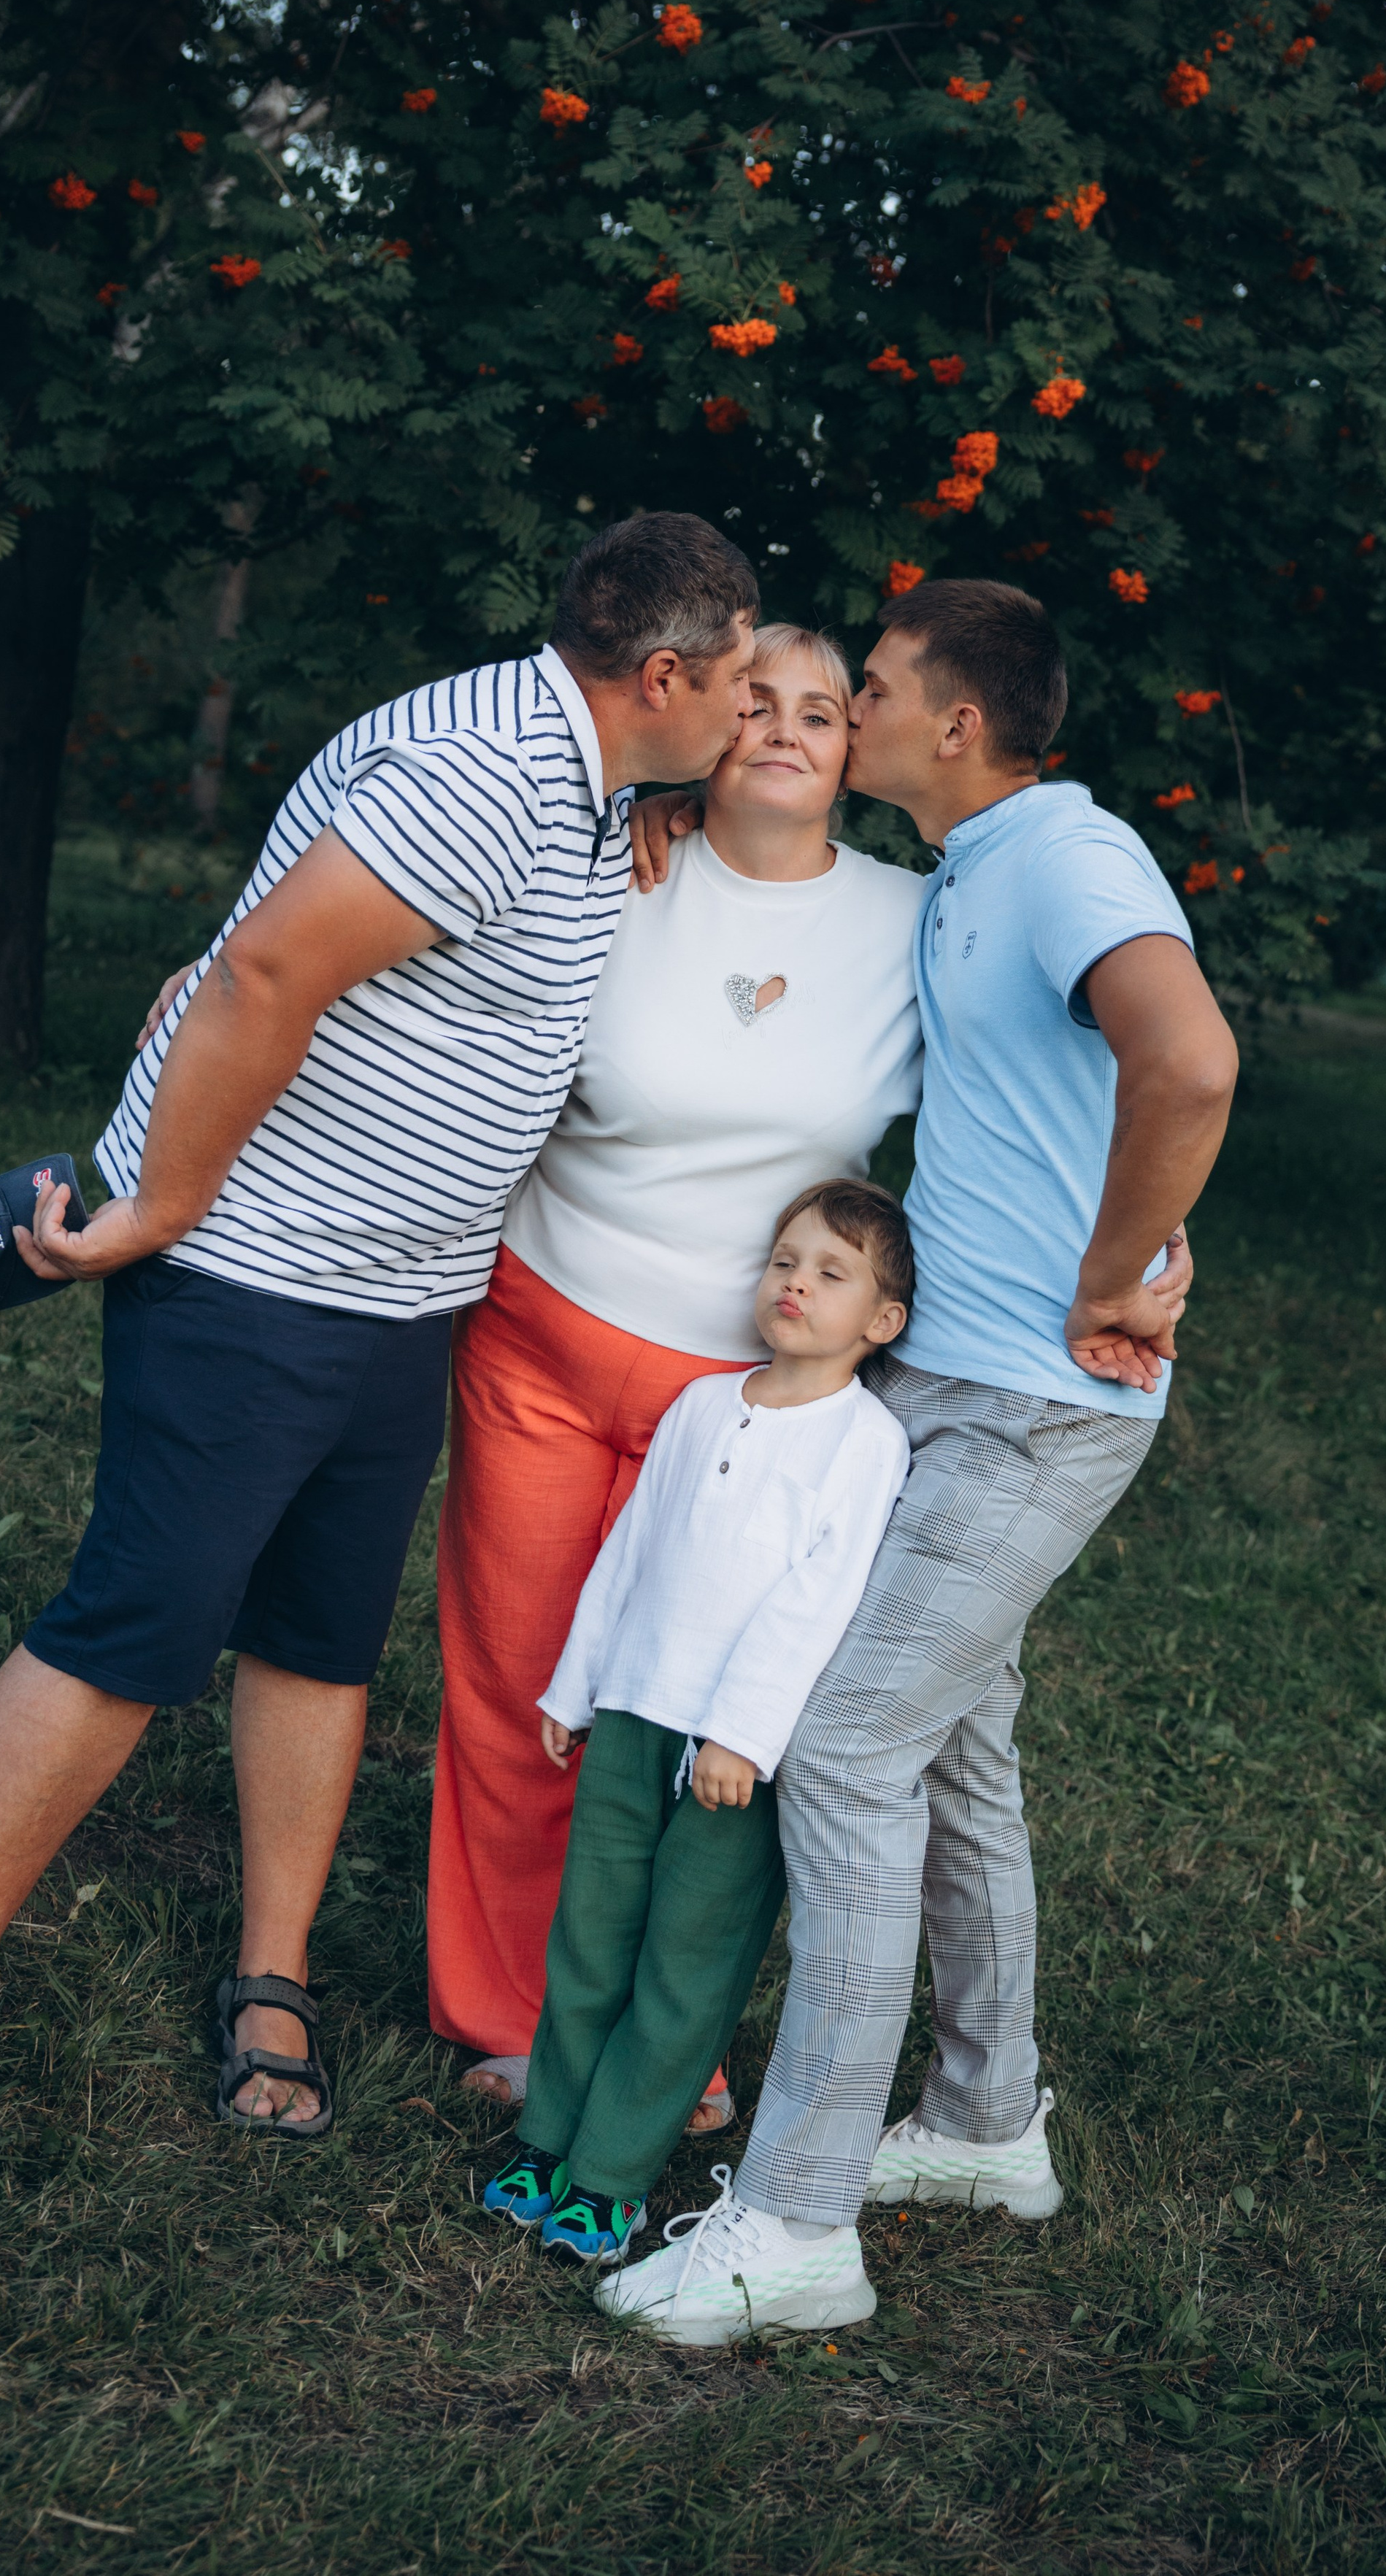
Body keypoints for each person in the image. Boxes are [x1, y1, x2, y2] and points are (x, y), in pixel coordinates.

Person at [0, 512, 758, 2180]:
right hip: (258, 1277)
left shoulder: (587, 776)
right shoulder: (483, 772)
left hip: (404, 1297)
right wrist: (164, 1206)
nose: (753, 707)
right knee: (131, 1630)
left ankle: (272, 1972)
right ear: (660, 672)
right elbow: (255, 976)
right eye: (738, 675)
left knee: (316, 1643)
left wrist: (663, 810)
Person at [595, 576, 1238, 2342]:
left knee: (849, 1740)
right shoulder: (973, 869)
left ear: (953, 725)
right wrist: (661, 809)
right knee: (954, 1747)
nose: (841, 707)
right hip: (950, 1386)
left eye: (864, 687)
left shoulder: (1057, 857)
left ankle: (794, 2222)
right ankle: (978, 2121)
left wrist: (1118, 1271)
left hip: (1039, 1401)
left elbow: (1185, 1058)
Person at [428, 625, 925, 2121]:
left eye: (820, 711)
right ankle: (505, 2018)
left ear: (857, 751)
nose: (781, 728)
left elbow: (1055, 1090)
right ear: (704, 727)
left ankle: (659, 2039)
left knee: (692, 1722)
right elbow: (398, 945)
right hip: (541, 1334)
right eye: (753, 700)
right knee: (522, 1687)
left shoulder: (920, 920)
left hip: (746, 1404)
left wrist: (1143, 1248)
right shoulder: (604, 863)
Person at [479, 1181, 913, 2264]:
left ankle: (612, 2173)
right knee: (592, 1938)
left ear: (881, 1321)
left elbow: (819, 1599)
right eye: (784, 1261)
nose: (796, 1284)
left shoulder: (862, 1443)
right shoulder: (701, 1405)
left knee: (685, 1963)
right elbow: (629, 1553)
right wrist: (576, 1687)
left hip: (730, 1757)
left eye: (830, 1272)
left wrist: (742, 1735)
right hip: (634, 1714)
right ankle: (550, 2138)